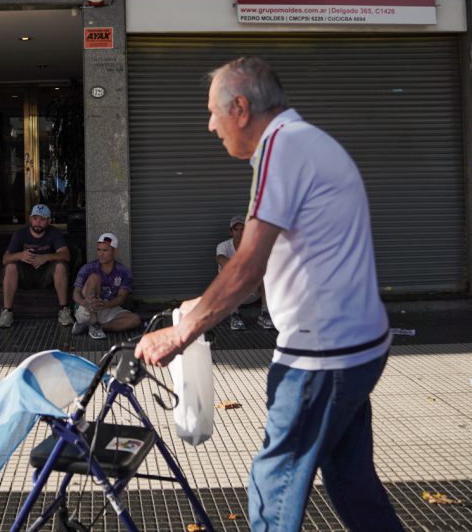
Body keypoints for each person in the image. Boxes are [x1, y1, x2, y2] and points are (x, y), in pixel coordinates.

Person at [135, 56, 402, 532]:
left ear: (240, 107)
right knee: (351, 479)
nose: (209, 124)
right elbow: (273, 258)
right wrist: (202, 303)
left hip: (321, 355)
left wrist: (180, 334)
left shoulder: (284, 148)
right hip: (357, 346)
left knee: (274, 480)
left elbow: (249, 262)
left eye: (213, 111)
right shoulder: (305, 142)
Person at [0, 204, 73, 329]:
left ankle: (63, 310)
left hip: (46, 276)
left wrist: (46, 257)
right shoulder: (20, 233)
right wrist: (20, 255)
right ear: (30, 219)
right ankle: (7, 312)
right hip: (26, 276)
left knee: (61, 266)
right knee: (10, 267)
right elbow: (5, 259)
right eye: (35, 218)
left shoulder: (54, 233)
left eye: (42, 219)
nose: (38, 222)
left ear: (49, 221)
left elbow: (66, 255)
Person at [70, 233, 142, 340]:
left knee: (135, 319)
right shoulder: (88, 268)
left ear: (114, 251)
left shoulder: (124, 272)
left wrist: (105, 304)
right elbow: (76, 293)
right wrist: (85, 303)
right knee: (94, 277)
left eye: (105, 250)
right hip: (86, 309)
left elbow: (121, 298)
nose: (101, 254)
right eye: (99, 250)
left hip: (107, 308)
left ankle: (93, 327)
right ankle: (93, 321)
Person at [217, 214, 273, 331]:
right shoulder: (223, 246)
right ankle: (234, 315)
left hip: (253, 292)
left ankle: (265, 313)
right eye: (236, 229)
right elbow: (221, 260)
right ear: (231, 231)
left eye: (243, 229)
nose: (240, 232)